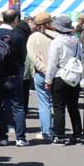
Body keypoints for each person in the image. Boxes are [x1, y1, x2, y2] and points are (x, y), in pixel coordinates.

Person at [0, 9, 29, 146]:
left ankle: (2, 137)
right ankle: (20, 137)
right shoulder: (17, 36)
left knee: (0, 107)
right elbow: (22, 57)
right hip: (13, 75)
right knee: (18, 107)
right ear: (15, 19)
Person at [45, 16, 83, 145]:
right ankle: (77, 135)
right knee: (73, 107)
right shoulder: (77, 42)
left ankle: (60, 136)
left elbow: (52, 63)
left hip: (60, 76)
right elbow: (80, 59)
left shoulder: (56, 42)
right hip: (74, 77)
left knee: (59, 108)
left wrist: (48, 80)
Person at [26, 12, 57, 140]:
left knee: (44, 104)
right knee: (57, 104)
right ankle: (58, 130)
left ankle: (46, 131)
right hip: (57, 73)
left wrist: (44, 70)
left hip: (41, 73)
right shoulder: (58, 35)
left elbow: (34, 58)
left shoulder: (33, 37)